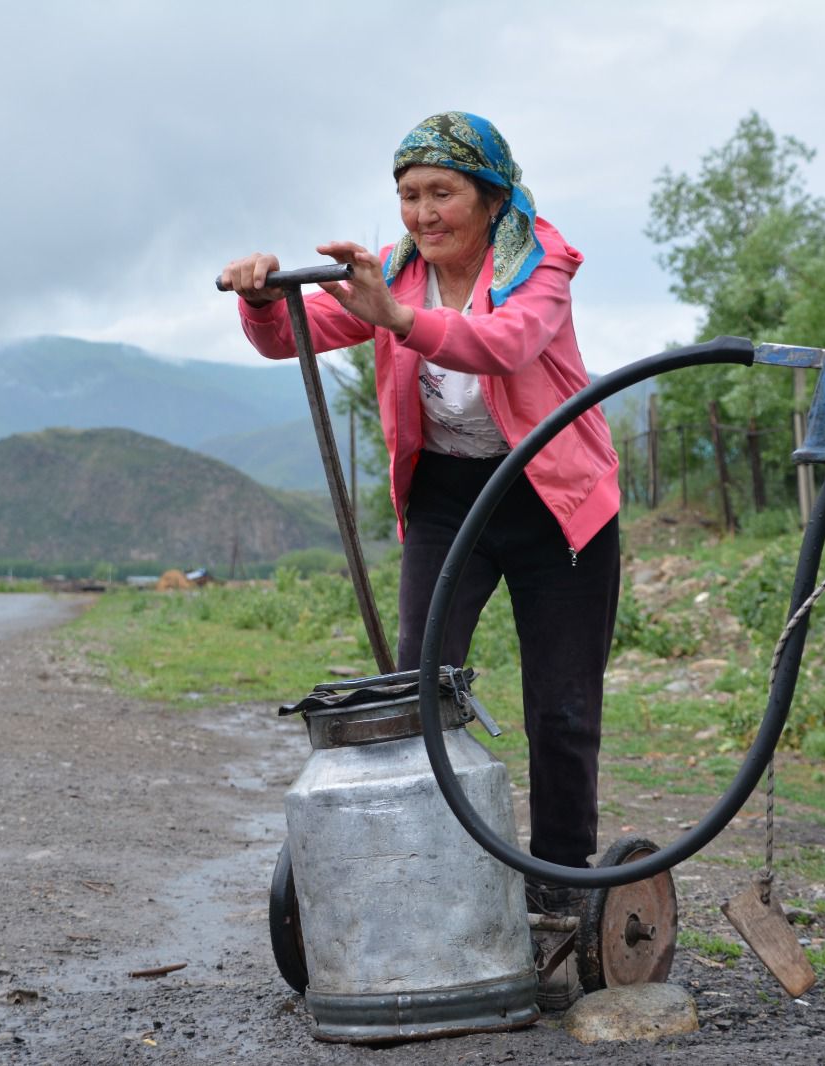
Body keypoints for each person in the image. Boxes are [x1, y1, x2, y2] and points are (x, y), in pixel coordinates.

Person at [220, 112, 619, 1000]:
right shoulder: (393, 273)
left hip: (557, 499)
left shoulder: (540, 261)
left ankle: (559, 883)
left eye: (443, 192)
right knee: (418, 688)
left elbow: (506, 344)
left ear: (490, 195)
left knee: (561, 707)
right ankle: (430, 863)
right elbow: (292, 333)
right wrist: (258, 293)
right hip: (449, 498)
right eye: (409, 195)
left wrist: (397, 318)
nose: (424, 213)